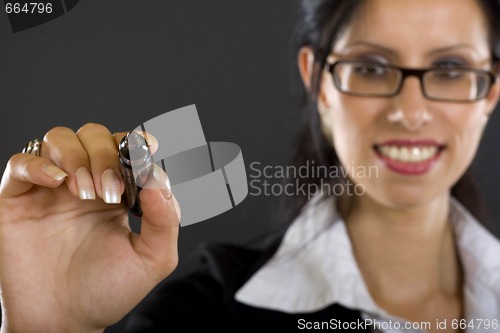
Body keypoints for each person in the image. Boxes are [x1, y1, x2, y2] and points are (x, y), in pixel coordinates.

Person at [1, 0, 500, 332]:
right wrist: (51, 323)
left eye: (451, 70)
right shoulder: (204, 312)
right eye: (370, 67)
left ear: (491, 89)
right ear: (318, 81)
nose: (410, 113)